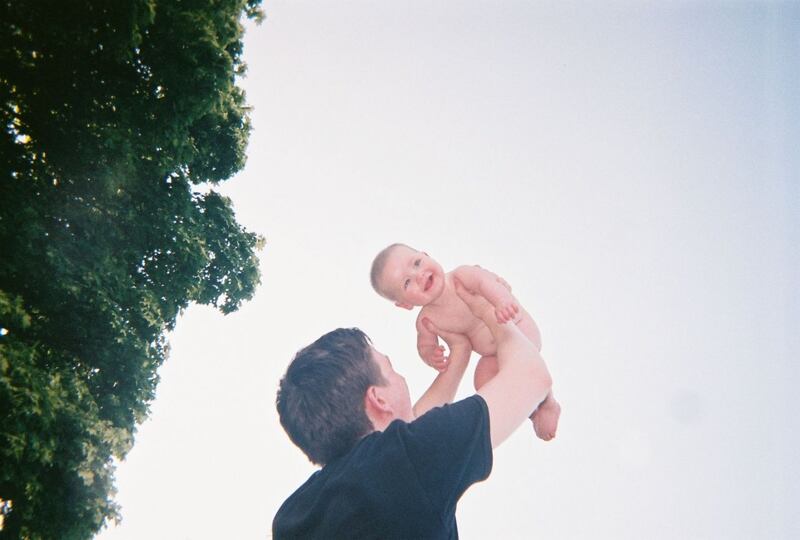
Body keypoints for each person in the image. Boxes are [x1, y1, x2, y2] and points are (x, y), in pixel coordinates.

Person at [273, 282, 553, 539]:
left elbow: (410, 431)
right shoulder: (407, 461)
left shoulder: (294, 515)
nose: (401, 378)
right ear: (378, 399)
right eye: (391, 369)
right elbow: (531, 377)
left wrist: (460, 354)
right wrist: (485, 309)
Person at [370, 243, 561, 441]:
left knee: (523, 367)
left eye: (417, 263)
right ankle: (533, 410)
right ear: (405, 304)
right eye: (407, 283)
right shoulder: (427, 320)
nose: (418, 275)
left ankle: (547, 399)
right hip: (491, 354)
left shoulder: (461, 276)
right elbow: (424, 345)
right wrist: (431, 355)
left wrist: (502, 302)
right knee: (482, 382)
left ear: (426, 254)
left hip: (517, 328)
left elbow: (488, 284)